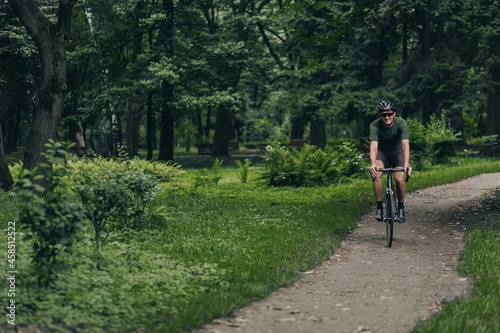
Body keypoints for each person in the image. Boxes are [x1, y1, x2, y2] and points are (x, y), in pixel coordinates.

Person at [369, 100, 412, 222]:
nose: (387, 117)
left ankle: (401, 207)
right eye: (384, 114)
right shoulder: (374, 125)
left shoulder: (401, 123)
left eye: (389, 114)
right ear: (380, 115)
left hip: (397, 151)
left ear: (394, 114)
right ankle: (379, 208)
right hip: (382, 152)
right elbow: (373, 146)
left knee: (399, 178)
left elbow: (405, 145)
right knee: (376, 173)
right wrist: (372, 164)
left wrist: (406, 164)